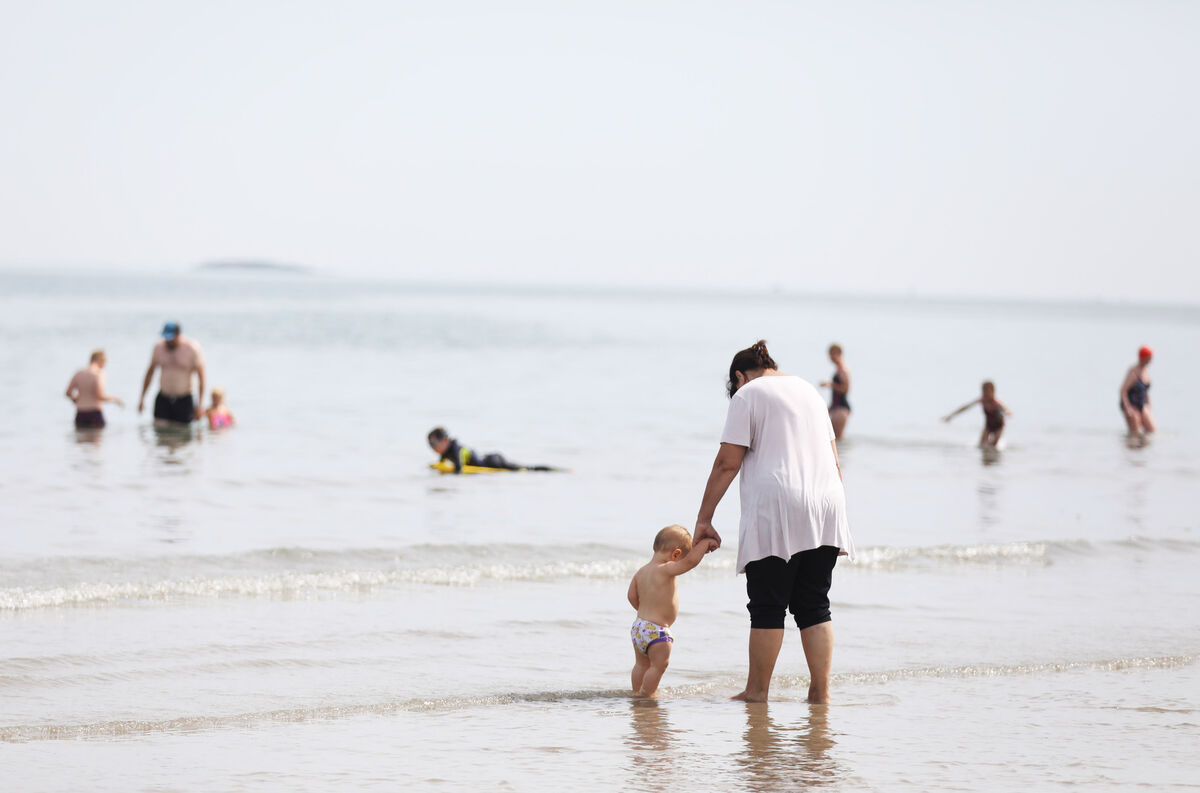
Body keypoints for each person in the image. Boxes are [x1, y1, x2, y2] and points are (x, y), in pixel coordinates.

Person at [694, 340, 855, 704]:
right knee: (814, 603)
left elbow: (727, 463)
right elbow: (835, 460)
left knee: (767, 604)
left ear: (739, 376)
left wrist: (704, 518)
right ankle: (820, 692)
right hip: (827, 502)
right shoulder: (811, 392)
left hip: (778, 505)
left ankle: (757, 692)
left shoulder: (747, 395)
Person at [627, 524, 718, 698]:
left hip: (639, 627)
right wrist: (705, 544)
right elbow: (690, 563)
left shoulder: (641, 572)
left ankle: (636, 692)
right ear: (676, 554)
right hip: (656, 631)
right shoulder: (666, 569)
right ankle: (647, 695)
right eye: (680, 557)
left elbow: (631, 596)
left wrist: (644, 610)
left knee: (641, 665)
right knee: (659, 665)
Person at [137, 321, 205, 426]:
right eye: (166, 338)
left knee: (182, 434)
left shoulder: (192, 348)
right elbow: (150, 373)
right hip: (163, 398)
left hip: (184, 398)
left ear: (178, 335)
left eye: (171, 338)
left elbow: (201, 377)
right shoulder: (159, 348)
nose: (168, 341)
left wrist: (200, 405)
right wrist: (142, 398)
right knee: (159, 433)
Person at [427, 427, 547, 472]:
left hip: (494, 462)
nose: (433, 448)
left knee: (525, 469)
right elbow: (441, 464)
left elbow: (459, 468)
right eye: (430, 445)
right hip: (490, 458)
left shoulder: (456, 449)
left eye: (435, 444)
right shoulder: (446, 452)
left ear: (445, 440)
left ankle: (549, 469)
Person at [65, 349, 123, 428]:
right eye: (105, 362)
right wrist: (115, 399)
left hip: (80, 413)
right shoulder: (98, 373)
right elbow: (99, 396)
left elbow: (68, 392)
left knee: (80, 438)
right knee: (97, 438)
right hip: (94, 414)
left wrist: (76, 400)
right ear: (101, 360)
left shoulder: (79, 373)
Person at [943, 381, 1011, 448]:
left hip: (999, 425)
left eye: (988, 391)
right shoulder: (982, 400)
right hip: (989, 425)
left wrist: (1007, 412)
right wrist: (951, 416)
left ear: (993, 391)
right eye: (984, 391)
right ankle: (985, 457)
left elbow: (1005, 409)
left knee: (993, 444)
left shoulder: (996, 402)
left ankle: (994, 457)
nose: (986, 393)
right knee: (981, 445)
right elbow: (965, 407)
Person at [1119, 346, 1155, 435]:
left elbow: (1145, 391)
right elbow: (1123, 391)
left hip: (1142, 403)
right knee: (1135, 432)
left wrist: (1148, 406)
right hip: (1131, 404)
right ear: (1143, 357)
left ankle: (1146, 448)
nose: (1150, 360)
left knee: (1152, 430)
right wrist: (1128, 408)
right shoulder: (1133, 372)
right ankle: (1131, 446)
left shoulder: (1145, 371)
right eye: (1149, 358)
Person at [818, 344, 851, 440]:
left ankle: (841, 455)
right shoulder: (839, 370)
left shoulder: (843, 370)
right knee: (832, 437)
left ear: (838, 354)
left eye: (832, 355)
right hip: (837, 407)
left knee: (837, 438)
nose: (830, 358)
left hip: (841, 408)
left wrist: (830, 385)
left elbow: (845, 389)